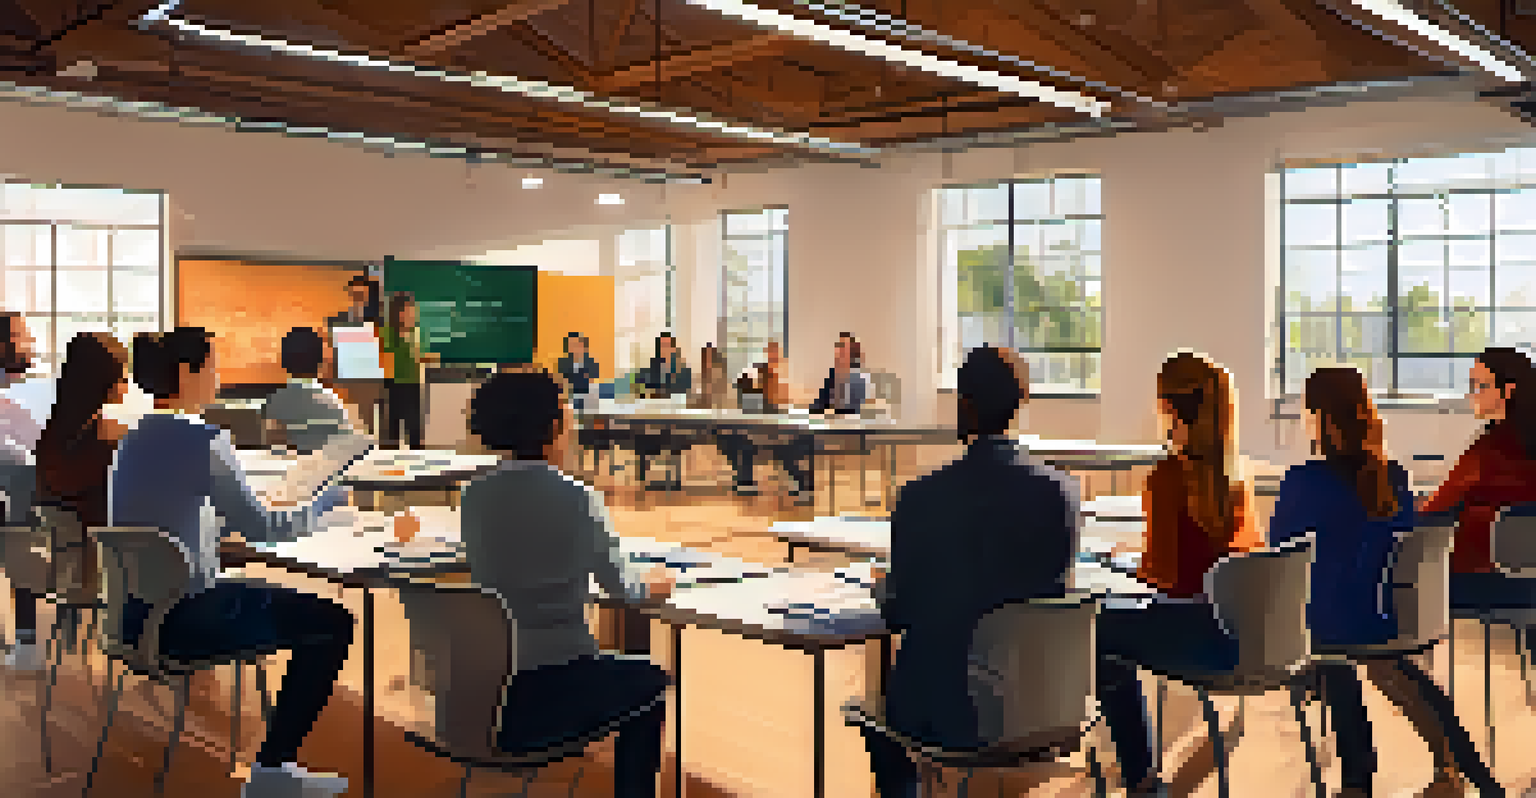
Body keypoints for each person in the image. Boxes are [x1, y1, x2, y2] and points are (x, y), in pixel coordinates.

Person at [110, 328, 357, 798]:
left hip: (134, 616)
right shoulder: (205, 438)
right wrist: (326, 499)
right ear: (188, 373)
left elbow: (164, 516)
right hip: (187, 620)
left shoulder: (132, 439)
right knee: (332, 621)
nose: (218, 377)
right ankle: (272, 771)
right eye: (213, 366)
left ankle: (274, 769)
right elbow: (265, 528)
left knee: (261, 592)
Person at [1271, 367, 1502, 798]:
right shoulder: (1392, 476)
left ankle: (1359, 781)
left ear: (1318, 417)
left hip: (1321, 624)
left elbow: (1278, 554)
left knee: (1327, 650)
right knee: (1390, 670)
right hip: (1381, 618)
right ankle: (1470, 771)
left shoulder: (1303, 480)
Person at [864, 346, 1078, 797]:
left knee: (876, 717)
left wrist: (884, 592)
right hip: (1043, 705)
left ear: (964, 404)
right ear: (1020, 405)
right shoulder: (1062, 494)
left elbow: (902, 613)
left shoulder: (920, 498)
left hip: (948, 711)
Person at [461, 370, 673, 798]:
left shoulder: (474, 495)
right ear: (554, 426)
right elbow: (625, 591)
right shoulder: (576, 497)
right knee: (651, 682)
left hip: (485, 694)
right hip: (554, 690)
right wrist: (656, 582)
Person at [1094, 351, 1264, 797]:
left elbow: (1161, 577)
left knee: (1096, 628)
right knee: (1111, 634)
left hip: (1192, 630)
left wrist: (1123, 563)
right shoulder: (1235, 475)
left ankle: (1140, 776)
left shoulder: (1166, 477)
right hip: (1236, 629)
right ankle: (1141, 775)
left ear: (1168, 408)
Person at [17, 334, 131, 672]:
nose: (127, 383)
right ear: (105, 381)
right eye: (123, 375)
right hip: (106, 565)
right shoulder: (110, 438)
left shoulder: (51, 434)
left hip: (64, 561)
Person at [0, 313, 41, 670]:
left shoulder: (20, 396)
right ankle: (26, 640)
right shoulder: (13, 400)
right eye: (20, 336)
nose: (29, 343)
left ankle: (25, 639)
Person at [263, 327, 363, 454]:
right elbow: (349, 448)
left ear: (284, 363)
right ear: (320, 362)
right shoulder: (334, 404)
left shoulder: (274, 404)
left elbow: (273, 448)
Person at [327, 275, 384, 435]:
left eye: (362, 294)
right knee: (347, 422)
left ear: (367, 295)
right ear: (350, 294)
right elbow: (333, 349)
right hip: (346, 378)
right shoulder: (338, 321)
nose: (359, 298)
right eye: (356, 294)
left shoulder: (380, 322)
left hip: (371, 379)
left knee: (370, 425)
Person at [633, 333, 691, 489]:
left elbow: (684, 391)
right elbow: (642, 387)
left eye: (668, 346)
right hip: (654, 414)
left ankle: (675, 475)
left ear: (673, 348)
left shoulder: (682, 368)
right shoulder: (652, 367)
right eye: (662, 346)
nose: (665, 350)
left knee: (673, 435)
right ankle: (644, 471)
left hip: (676, 416)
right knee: (642, 432)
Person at [379, 292, 433, 449]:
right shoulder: (387, 333)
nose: (410, 313)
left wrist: (427, 357)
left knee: (414, 429)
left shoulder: (418, 332)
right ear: (397, 312)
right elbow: (386, 360)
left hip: (414, 385)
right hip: (393, 385)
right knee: (392, 430)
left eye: (411, 309)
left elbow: (421, 356)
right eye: (406, 309)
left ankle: (417, 461)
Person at [557, 332, 601, 402]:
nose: (573, 348)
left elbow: (593, 384)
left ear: (582, 345)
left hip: (588, 398)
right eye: (570, 345)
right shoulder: (563, 362)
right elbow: (561, 383)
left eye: (575, 344)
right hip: (568, 398)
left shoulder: (591, 362)